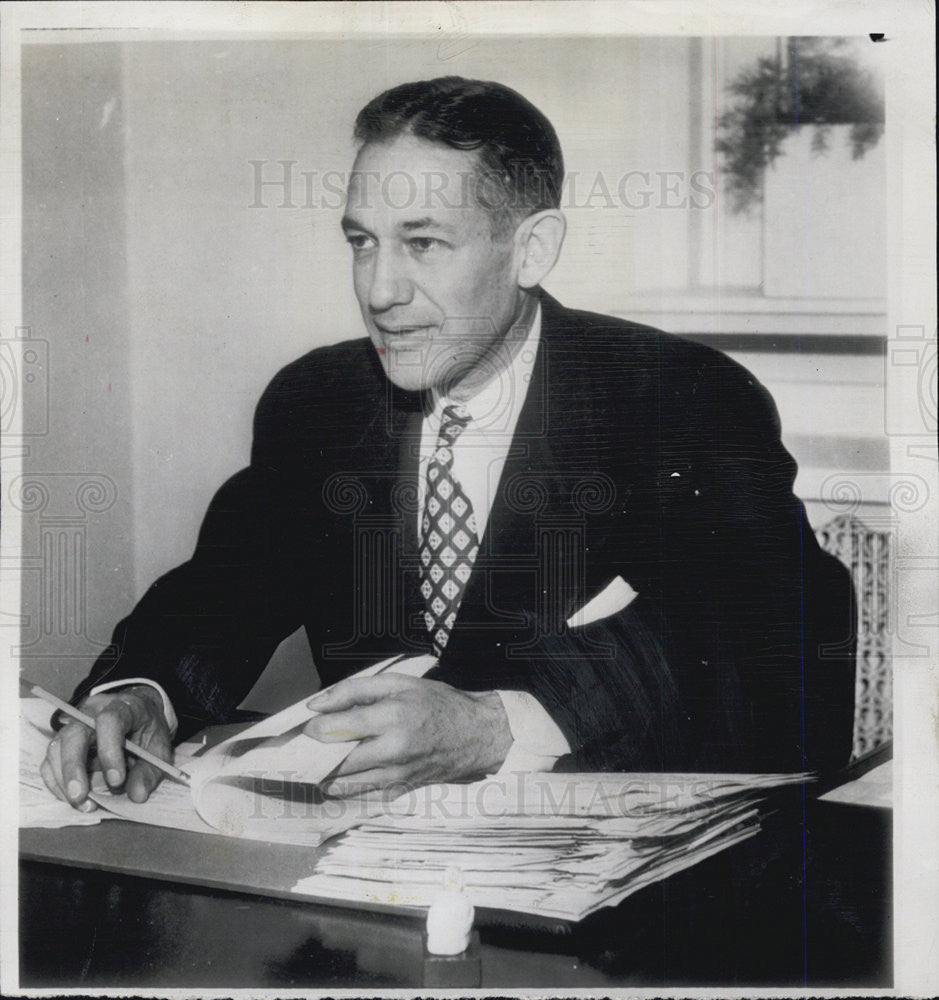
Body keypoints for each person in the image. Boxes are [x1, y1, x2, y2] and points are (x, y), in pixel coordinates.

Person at [41, 76, 856, 811]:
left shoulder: (676, 396)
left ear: (530, 249)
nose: (379, 291)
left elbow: (773, 643)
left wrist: (496, 724)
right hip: (363, 891)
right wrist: (145, 694)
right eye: (362, 241)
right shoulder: (317, 400)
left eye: (423, 243)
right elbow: (224, 592)